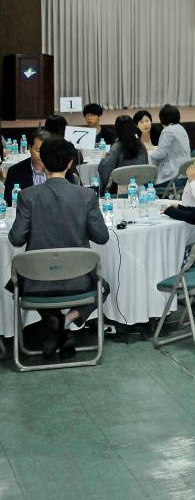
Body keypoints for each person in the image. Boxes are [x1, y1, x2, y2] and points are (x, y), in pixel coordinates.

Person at [9, 137, 108, 359]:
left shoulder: (27, 196)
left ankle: (57, 323)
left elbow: (16, 239)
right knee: (103, 287)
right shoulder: (86, 195)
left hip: (37, 284)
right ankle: (67, 322)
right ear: (70, 163)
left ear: (42, 163)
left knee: (16, 282)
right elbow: (101, 237)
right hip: (78, 281)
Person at [4, 131, 66, 204]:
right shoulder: (15, 171)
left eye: (47, 150)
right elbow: (9, 202)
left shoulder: (61, 169)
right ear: (30, 148)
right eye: (39, 150)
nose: (43, 155)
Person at [96, 115, 149, 193]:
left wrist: (104, 159)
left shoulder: (116, 147)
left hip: (119, 189)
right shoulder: (141, 145)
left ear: (117, 129)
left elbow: (105, 169)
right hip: (139, 188)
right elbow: (145, 166)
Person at [149, 104, 192, 185]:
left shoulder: (168, 131)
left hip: (173, 177)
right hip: (185, 174)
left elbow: (160, 154)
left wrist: (150, 153)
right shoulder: (180, 128)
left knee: (147, 182)